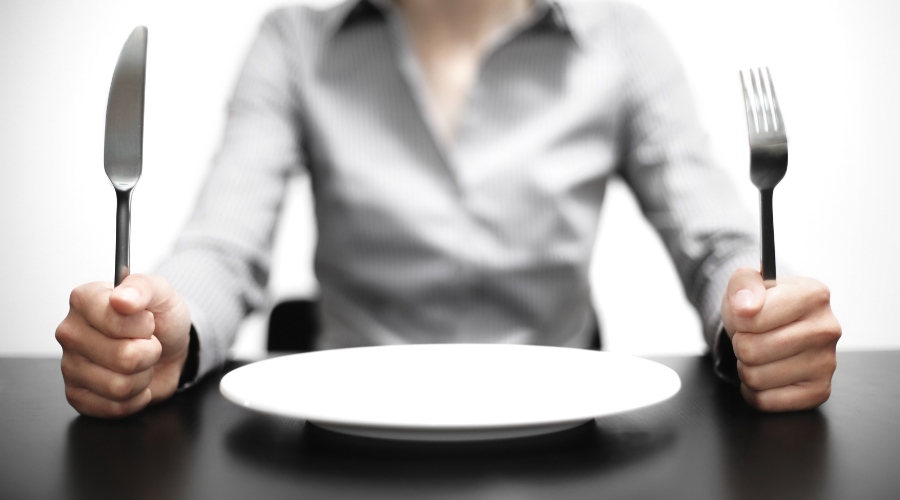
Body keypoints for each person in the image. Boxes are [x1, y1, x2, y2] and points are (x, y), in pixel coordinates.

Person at [55, 0, 841, 419]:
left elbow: (716, 245)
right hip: (340, 440)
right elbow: (222, 248)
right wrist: (165, 327)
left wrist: (760, 317)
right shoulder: (293, 40)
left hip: (563, 442)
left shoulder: (623, 40)